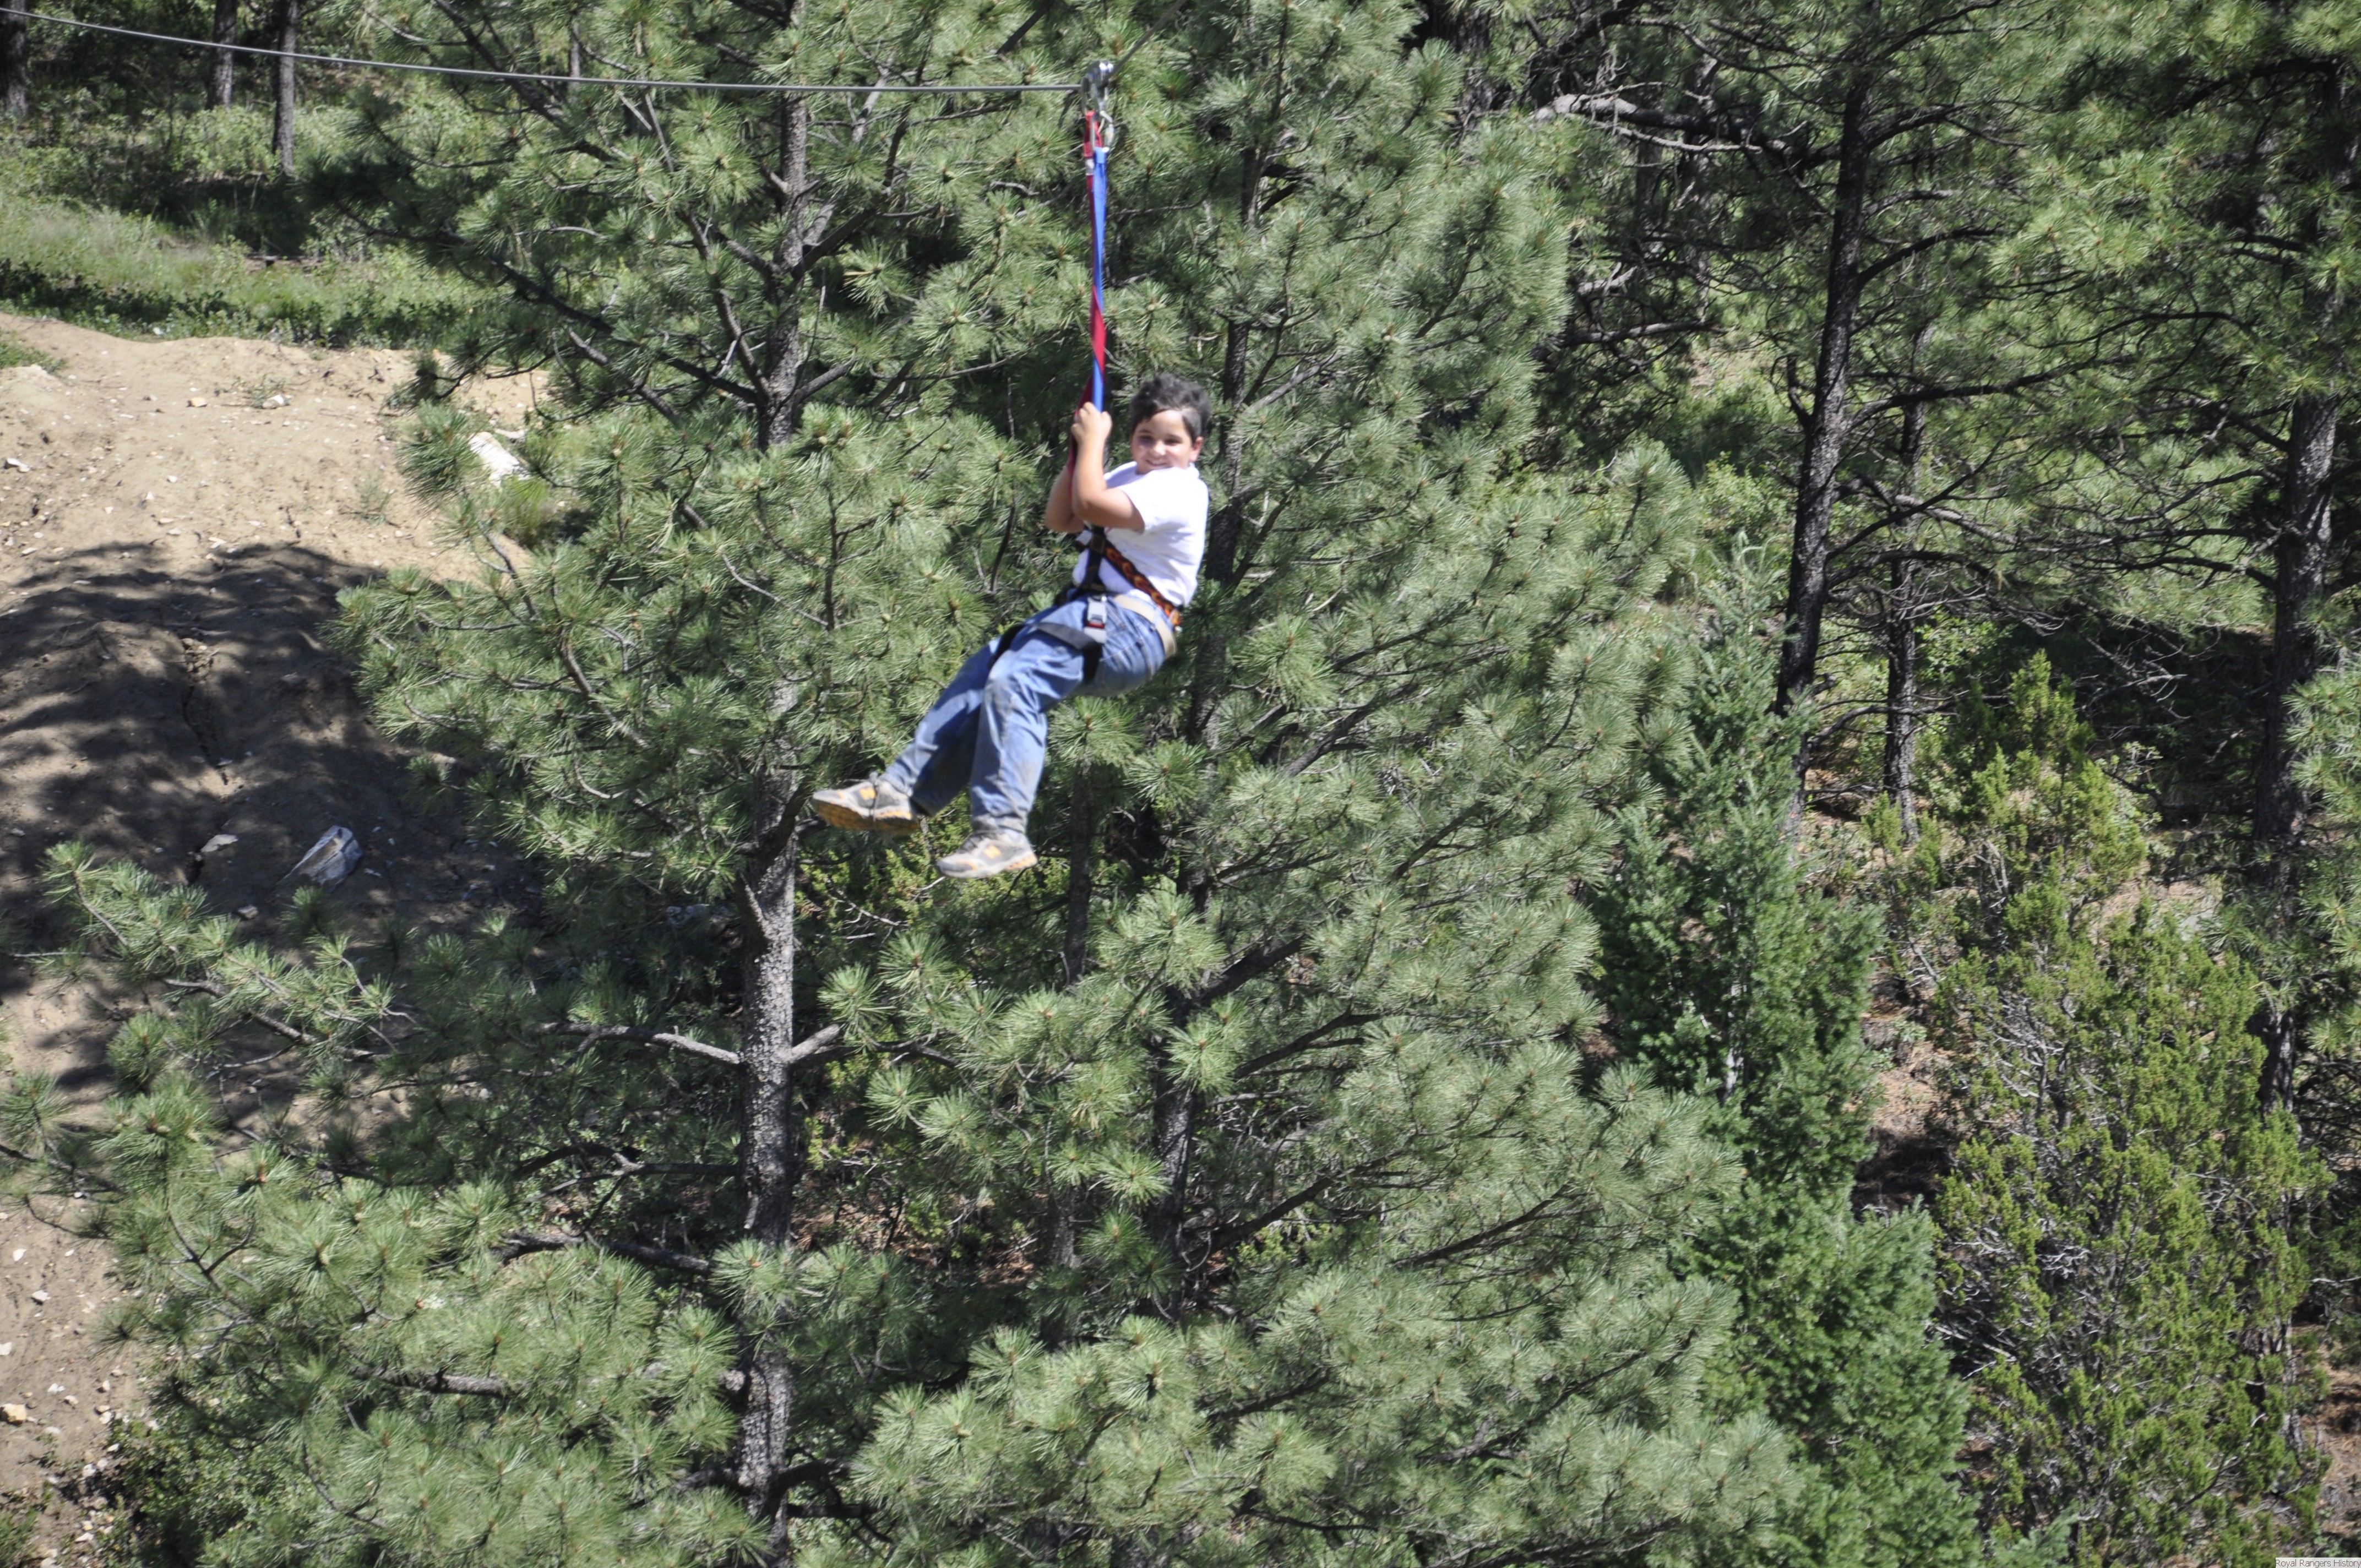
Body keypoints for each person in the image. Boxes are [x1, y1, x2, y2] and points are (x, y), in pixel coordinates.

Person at [813, 372, 1212, 879]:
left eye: (1171, 441)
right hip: (1090, 616)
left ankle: (1002, 831)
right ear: (1132, 438)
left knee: (1016, 680)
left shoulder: (1180, 490)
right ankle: (905, 791)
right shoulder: (1126, 475)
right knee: (984, 672)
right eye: (1145, 438)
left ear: (1195, 448)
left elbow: (1091, 506)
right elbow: (1063, 518)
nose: (1156, 450)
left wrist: (1094, 443)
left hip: (1131, 626)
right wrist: (1078, 455)